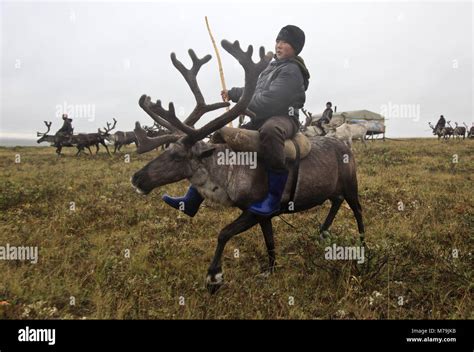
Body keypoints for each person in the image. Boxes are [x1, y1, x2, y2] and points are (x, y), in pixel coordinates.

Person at [163, 25, 310, 217]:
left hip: (284, 118)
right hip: (261, 118)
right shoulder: (270, 68)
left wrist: (244, 102)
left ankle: (274, 198)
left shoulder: (292, 70)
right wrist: (233, 93)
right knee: (223, 136)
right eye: (278, 41)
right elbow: (254, 90)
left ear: (295, 48)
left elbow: (272, 100)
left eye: (285, 43)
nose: (279, 46)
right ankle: (193, 198)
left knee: (270, 131)